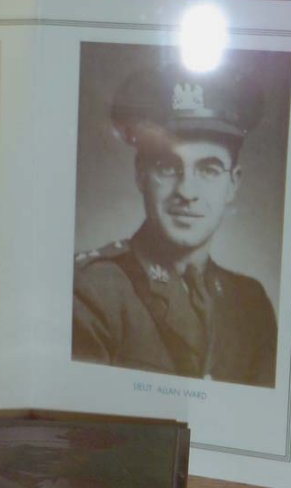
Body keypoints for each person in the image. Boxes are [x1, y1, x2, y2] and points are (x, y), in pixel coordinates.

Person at [72, 60, 278, 387]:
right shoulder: (92, 290)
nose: (187, 191)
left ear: (233, 184)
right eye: (167, 167)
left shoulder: (251, 303)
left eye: (209, 170)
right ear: (141, 175)